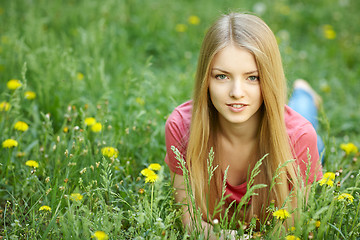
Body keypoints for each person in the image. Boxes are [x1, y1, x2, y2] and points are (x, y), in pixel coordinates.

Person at [164, 12, 323, 238]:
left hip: (295, 136)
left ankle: (305, 93)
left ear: (269, 78)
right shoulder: (181, 127)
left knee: (303, 112)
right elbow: (190, 222)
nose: (236, 93)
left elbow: (288, 229)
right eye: (222, 76)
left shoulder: (299, 137)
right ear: (205, 79)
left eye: (253, 77)